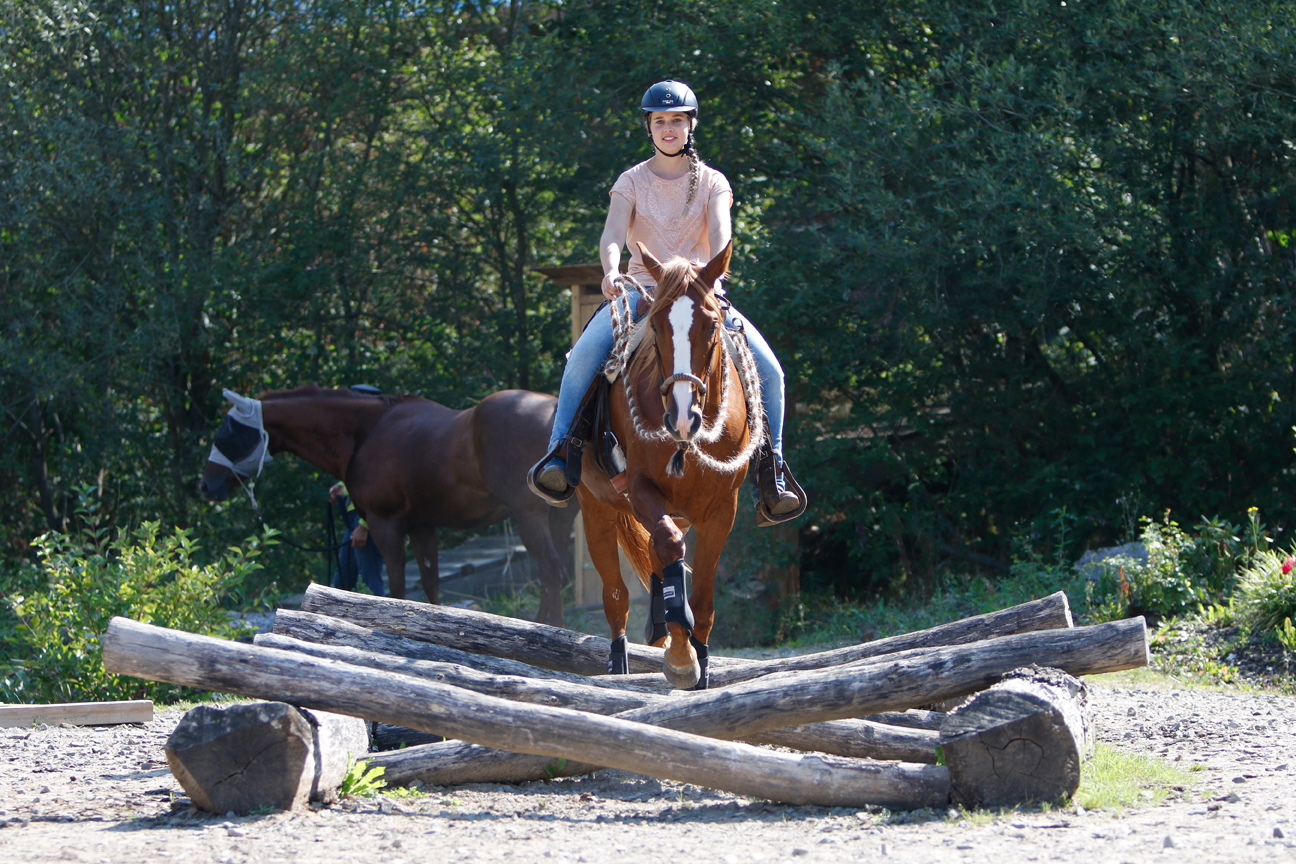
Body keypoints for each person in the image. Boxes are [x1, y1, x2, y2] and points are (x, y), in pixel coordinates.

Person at [530, 79, 803, 523]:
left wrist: (714, 274)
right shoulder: (632, 180)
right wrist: (612, 271)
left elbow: (720, 231)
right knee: (582, 357)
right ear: (650, 128)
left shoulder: (713, 182)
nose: (668, 128)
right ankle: (561, 453)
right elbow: (612, 234)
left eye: (677, 120)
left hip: (699, 294)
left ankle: (772, 469)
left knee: (770, 370)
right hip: (642, 292)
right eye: (660, 121)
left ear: (690, 125)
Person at [329, 481, 387, 596]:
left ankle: (379, 613)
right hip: (354, 515)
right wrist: (342, 486)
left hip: (367, 514)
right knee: (342, 580)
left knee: (370, 582)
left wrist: (365, 524)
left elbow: (375, 476)